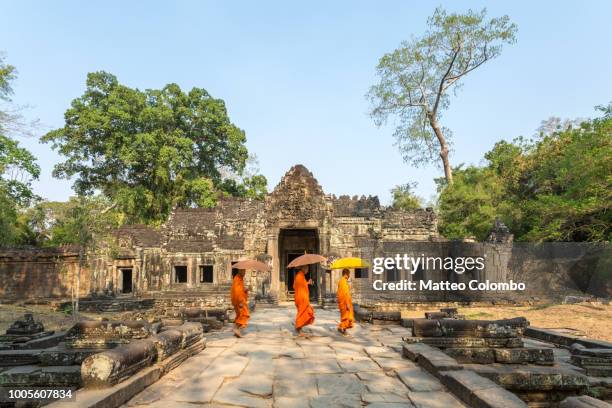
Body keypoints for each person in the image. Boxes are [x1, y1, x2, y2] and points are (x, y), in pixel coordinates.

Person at [293, 266, 315, 337]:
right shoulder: (299, 276)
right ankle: (298, 328)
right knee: (302, 313)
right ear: (303, 268)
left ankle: (299, 328)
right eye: (307, 269)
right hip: (301, 298)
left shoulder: (301, 276)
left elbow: (300, 285)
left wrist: (307, 283)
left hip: (302, 298)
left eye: (308, 269)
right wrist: (306, 283)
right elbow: (297, 286)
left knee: (306, 312)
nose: (308, 271)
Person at [231, 269, 250, 338]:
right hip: (239, 301)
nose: (244, 273)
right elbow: (236, 291)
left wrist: (246, 290)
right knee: (244, 314)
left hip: (240, 299)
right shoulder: (237, 279)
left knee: (240, 315)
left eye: (245, 271)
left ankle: (236, 330)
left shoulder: (240, 279)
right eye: (243, 271)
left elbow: (241, 290)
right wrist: (240, 302)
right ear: (239, 271)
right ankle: (236, 329)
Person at [337, 268, 354, 335]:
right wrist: (347, 303)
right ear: (346, 274)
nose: (349, 276)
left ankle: (342, 328)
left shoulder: (341, 281)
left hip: (342, 302)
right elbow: (345, 294)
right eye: (349, 274)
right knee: (347, 317)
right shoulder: (343, 282)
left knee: (345, 316)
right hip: (345, 302)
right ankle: (343, 329)